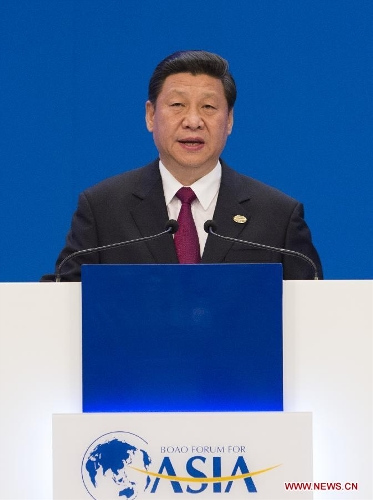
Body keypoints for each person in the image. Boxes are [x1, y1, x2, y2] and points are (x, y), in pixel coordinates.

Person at [42, 50, 322, 282]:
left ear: (229, 121)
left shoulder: (277, 216)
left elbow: (313, 314)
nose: (193, 121)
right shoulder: (103, 208)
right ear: (151, 115)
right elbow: (63, 303)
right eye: (177, 104)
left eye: (208, 108)